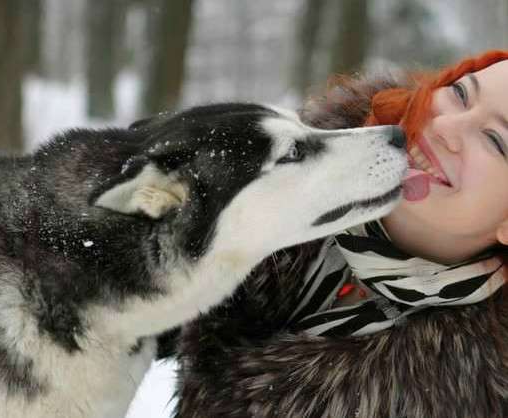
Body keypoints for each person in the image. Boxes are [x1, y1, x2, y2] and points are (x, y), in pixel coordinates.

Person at [171, 50, 508, 418]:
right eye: (460, 93)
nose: (445, 127)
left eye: (495, 141)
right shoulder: (262, 177)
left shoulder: (479, 391)